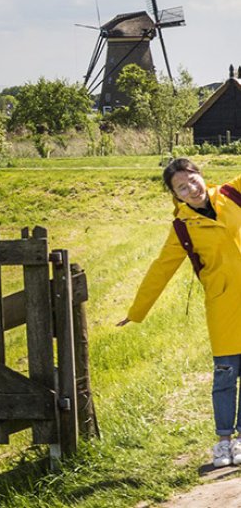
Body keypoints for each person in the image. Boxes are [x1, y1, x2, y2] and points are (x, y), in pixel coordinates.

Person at [117, 156, 241, 468]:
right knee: (225, 376)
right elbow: (161, 269)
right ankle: (223, 442)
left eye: (192, 180)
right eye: (182, 188)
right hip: (223, 306)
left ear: (201, 175)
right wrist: (137, 311)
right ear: (176, 195)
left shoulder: (233, 194)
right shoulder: (183, 227)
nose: (191, 189)